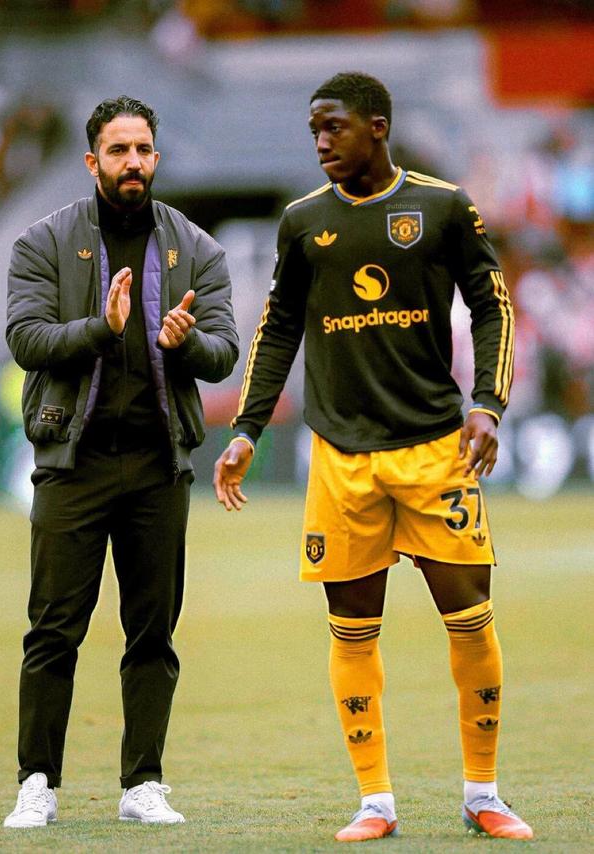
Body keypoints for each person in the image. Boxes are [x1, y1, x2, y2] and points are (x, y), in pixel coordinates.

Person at [214, 72, 533, 842]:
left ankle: (483, 793)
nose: (322, 142)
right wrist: (248, 428)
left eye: (335, 127)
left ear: (377, 126)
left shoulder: (443, 207)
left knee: (471, 621)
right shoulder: (303, 222)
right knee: (352, 630)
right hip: (341, 458)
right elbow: (277, 329)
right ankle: (375, 803)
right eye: (314, 131)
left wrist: (487, 405)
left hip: (436, 451)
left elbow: (493, 305)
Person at [4, 96, 238, 828]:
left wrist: (185, 342)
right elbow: (25, 339)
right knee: (53, 630)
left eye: (142, 149)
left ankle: (144, 784)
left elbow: (224, 352)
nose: (132, 162)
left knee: (152, 633)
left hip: (158, 463)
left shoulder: (198, 248)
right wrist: (101, 329)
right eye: (118, 150)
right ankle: (37, 782)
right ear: (92, 161)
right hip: (72, 462)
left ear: (156, 158)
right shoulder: (43, 241)